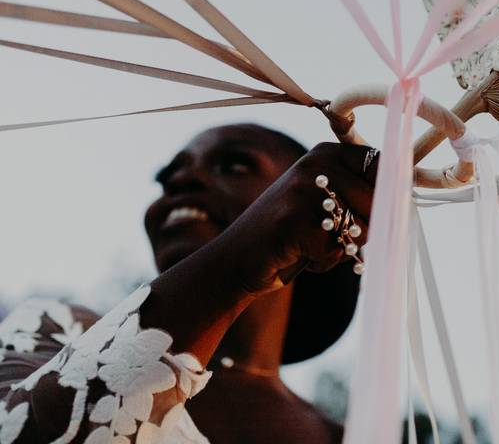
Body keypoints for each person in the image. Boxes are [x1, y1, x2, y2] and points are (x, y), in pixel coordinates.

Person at [0, 123, 378, 443]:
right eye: (167, 179)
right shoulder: (57, 330)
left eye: (234, 165)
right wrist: (235, 266)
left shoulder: (342, 436)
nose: (181, 179)